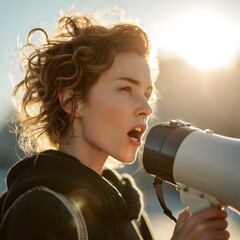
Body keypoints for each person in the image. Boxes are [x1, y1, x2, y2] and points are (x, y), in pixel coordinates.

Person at [0, 10, 229, 240]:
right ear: (72, 102)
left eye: (147, 95)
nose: (147, 109)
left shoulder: (129, 209)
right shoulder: (39, 210)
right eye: (125, 89)